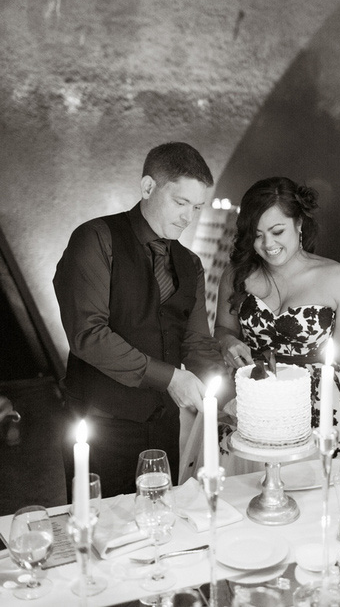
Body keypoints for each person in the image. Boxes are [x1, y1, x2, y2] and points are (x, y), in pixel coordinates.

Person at [54, 142, 226, 498]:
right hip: (101, 425)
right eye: (180, 203)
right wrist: (170, 378)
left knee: (159, 528)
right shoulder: (96, 239)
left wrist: (232, 400)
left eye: (196, 207)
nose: (188, 217)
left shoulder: (190, 263)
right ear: (148, 187)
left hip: (163, 427)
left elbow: (196, 343)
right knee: (103, 537)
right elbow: (88, 334)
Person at [215, 176, 340, 446]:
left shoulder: (338, 279)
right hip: (254, 404)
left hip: (320, 406)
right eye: (257, 235)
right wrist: (227, 341)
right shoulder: (236, 275)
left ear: (299, 223)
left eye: (277, 231)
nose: (267, 244)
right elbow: (223, 330)